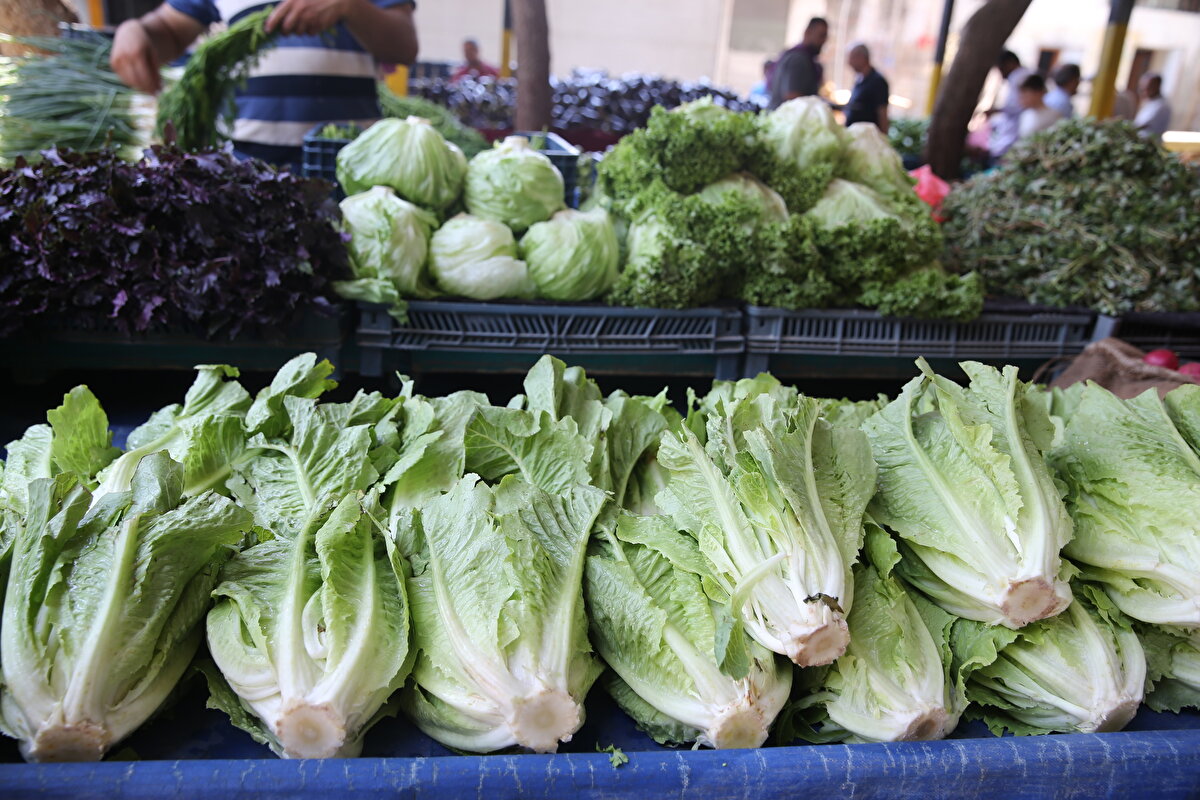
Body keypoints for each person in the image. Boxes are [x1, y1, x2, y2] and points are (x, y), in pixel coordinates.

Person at [110, 0, 418, 169]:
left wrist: (349, 6)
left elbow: (404, 44)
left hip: (350, 162)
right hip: (246, 162)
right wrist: (135, 31)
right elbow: (167, 30)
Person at [767, 17, 828, 110]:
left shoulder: (803, 58)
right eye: (821, 35)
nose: (824, 41)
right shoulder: (799, 59)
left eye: (825, 36)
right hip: (787, 121)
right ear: (808, 32)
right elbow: (792, 96)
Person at [987, 50, 1030, 162]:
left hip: (1014, 136)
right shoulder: (1022, 75)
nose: (1001, 73)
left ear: (1010, 63)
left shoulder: (1018, 77)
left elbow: (1015, 107)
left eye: (1001, 68)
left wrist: (997, 110)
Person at [844, 43, 888, 130]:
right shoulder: (860, 79)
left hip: (868, 136)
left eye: (851, 58)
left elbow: (882, 112)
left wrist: (883, 137)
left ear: (861, 57)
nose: (849, 62)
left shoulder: (877, 82)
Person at [1017, 74, 1062, 140]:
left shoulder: (1054, 115)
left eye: (1025, 95)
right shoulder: (1025, 114)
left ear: (1039, 93)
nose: (1021, 99)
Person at [1135, 73, 1172, 140]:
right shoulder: (1150, 102)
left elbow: (1142, 125)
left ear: (1156, 86)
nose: (1143, 90)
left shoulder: (1161, 106)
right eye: (1142, 87)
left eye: (1147, 87)